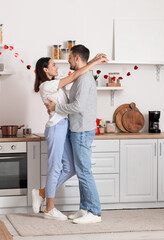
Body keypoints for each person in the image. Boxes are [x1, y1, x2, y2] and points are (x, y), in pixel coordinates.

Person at [32, 53, 108, 221]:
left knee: (71, 168)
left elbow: (75, 79)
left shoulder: (54, 84)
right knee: (55, 168)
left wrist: (90, 62)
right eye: (53, 65)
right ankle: (49, 209)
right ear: (45, 70)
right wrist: (94, 61)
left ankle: (42, 193)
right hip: (56, 128)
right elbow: (74, 75)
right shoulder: (47, 85)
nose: (57, 67)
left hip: (64, 128)